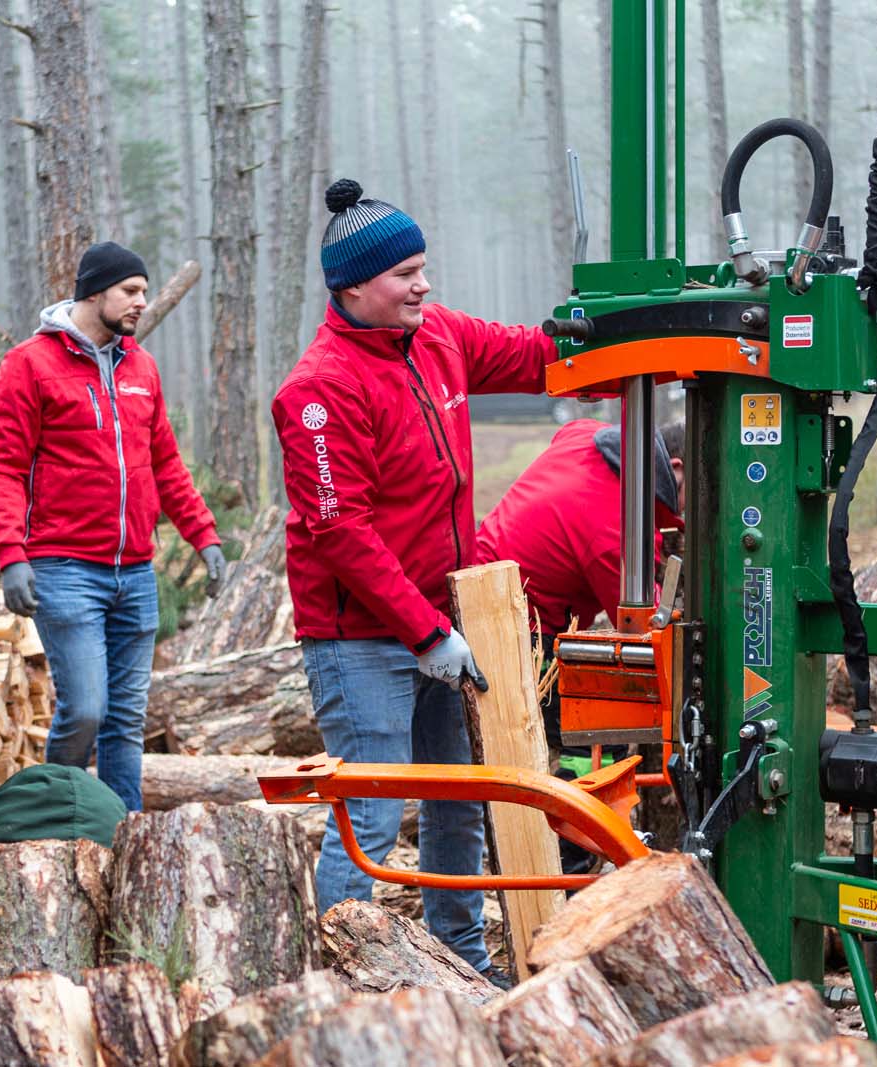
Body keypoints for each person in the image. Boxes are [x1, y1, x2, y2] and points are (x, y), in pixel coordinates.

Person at [271, 178, 558, 983]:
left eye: (424, 268)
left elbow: (540, 356)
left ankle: (459, 964)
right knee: (371, 809)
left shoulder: (440, 339)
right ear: (354, 286)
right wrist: (424, 633)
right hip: (360, 637)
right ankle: (334, 982)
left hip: (446, 619)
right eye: (405, 275)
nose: (422, 286)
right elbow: (341, 532)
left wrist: (631, 344)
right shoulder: (318, 391)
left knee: (458, 799)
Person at [0, 241, 226, 811]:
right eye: (131, 291)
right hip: (64, 570)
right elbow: (3, 468)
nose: (142, 301)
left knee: (125, 719)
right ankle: (50, 815)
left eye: (144, 291)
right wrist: (11, 554)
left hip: (136, 572)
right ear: (94, 292)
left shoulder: (140, 366)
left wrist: (205, 536)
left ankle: (122, 832)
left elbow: (165, 462)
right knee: (86, 709)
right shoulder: (29, 365)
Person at [475, 419, 684, 764]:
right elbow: (646, 623)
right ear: (674, 469)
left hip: (494, 577)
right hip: (516, 627)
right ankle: (576, 811)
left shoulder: (589, 436)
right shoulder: (617, 530)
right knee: (597, 731)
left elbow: (566, 429)